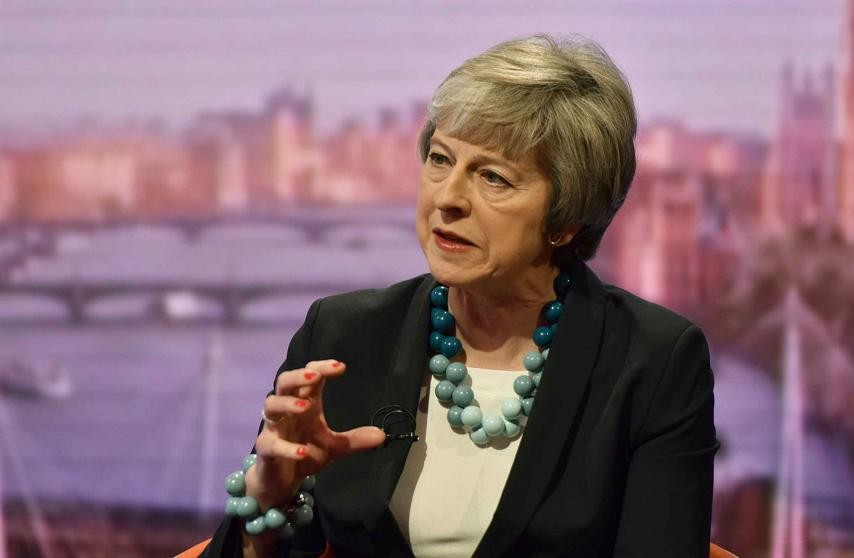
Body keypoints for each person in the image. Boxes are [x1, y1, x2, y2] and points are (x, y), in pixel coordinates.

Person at [203, 34, 718, 558]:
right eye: (439, 159)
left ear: (567, 220)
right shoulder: (343, 338)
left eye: (493, 177)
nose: (447, 198)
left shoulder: (652, 364)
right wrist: (268, 506)